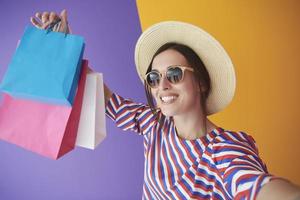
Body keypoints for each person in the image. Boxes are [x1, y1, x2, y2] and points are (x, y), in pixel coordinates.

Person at [31, 10, 300, 200]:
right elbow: (106, 99)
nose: (162, 86)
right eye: (154, 78)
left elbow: (254, 184)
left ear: (201, 82)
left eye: (174, 74)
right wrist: (65, 44)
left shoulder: (225, 149)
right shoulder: (154, 125)